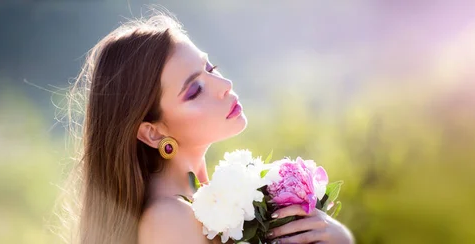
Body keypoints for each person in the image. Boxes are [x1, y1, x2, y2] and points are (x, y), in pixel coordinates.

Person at [62, 13, 354, 244]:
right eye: (194, 90)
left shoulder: (198, 206)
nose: (224, 86)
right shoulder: (168, 219)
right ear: (152, 132)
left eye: (211, 68)